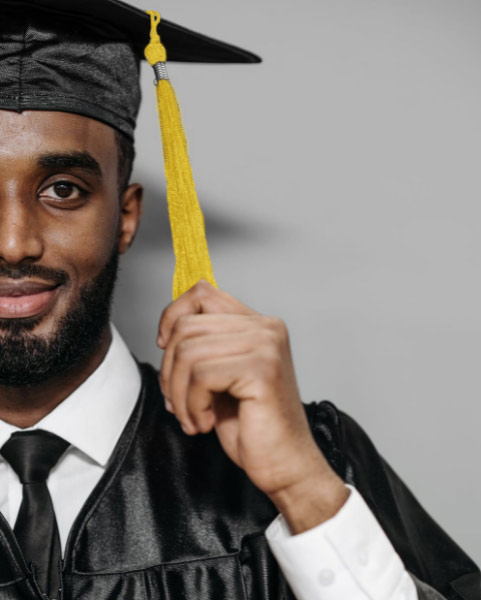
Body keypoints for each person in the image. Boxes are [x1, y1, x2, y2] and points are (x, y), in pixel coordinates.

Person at [0, 2, 478, 600]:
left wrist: (304, 490)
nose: (14, 243)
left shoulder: (311, 459)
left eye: (63, 190)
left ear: (126, 218)